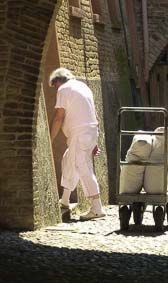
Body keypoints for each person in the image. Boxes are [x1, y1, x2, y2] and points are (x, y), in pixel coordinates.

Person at [49, 68, 106, 220]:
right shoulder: (83, 87)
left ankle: (97, 208)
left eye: (54, 86)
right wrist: (94, 142)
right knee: (69, 159)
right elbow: (92, 113)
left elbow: (58, 117)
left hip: (80, 134)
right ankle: (65, 200)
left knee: (84, 167)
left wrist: (51, 138)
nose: (56, 89)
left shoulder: (64, 89)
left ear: (58, 81)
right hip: (89, 131)